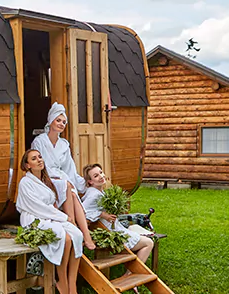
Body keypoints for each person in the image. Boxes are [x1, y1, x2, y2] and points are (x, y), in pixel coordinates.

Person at [15, 149, 88, 294]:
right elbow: (38, 207)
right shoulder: (25, 183)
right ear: (27, 165)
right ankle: (62, 280)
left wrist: (61, 216)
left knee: (77, 235)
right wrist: (63, 217)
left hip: (49, 216)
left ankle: (71, 283)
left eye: (40, 157)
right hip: (34, 219)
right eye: (34, 159)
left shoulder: (44, 180)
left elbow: (54, 197)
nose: (39, 160)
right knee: (65, 238)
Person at [31, 102, 95, 250]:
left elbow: (69, 168)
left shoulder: (64, 145)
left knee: (72, 192)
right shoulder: (39, 141)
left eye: (64, 122)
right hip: (45, 178)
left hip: (61, 178)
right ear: (51, 120)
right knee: (66, 186)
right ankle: (73, 226)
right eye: (58, 120)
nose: (61, 124)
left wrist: (83, 182)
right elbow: (37, 165)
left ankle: (84, 233)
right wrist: (60, 180)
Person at [81, 163, 154, 281]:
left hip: (114, 228)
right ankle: (129, 275)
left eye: (100, 172)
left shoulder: (98, 192)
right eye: (95, 176)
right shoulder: (93, 194)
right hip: (112, 232)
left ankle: (132, 273)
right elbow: (82, 211)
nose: (100, 176)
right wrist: (102, 214)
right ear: (90, 182)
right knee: (148, 243)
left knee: (141, 235)